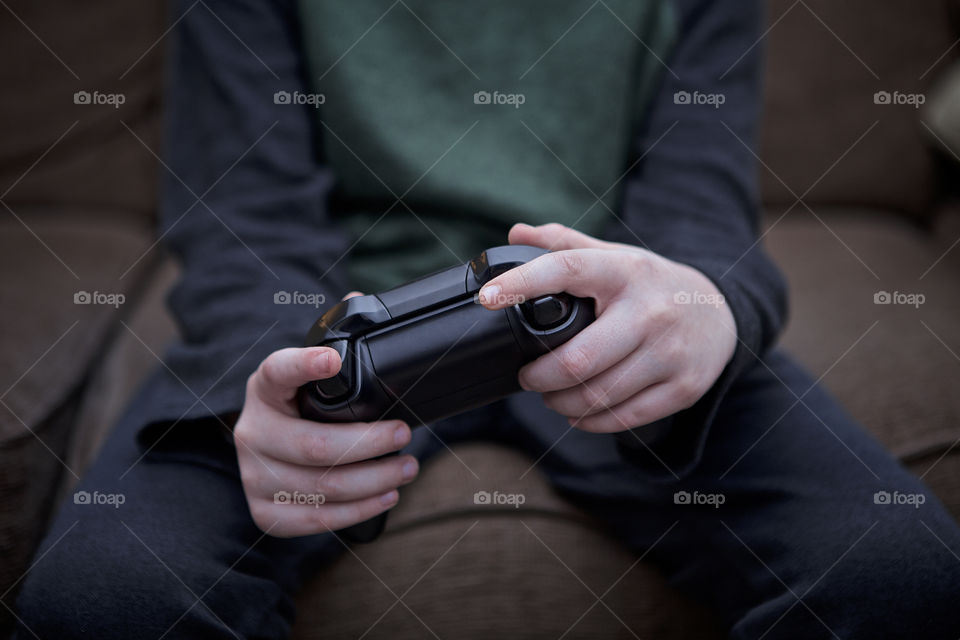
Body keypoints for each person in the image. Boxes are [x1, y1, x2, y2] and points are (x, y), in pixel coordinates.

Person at [15, 0, 960, 637]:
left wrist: (701, 302)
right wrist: (256, 383)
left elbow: (702, 202)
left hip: (612, 315)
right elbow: (242, 219)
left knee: (902, 575)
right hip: (327, 332)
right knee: (104, 600)